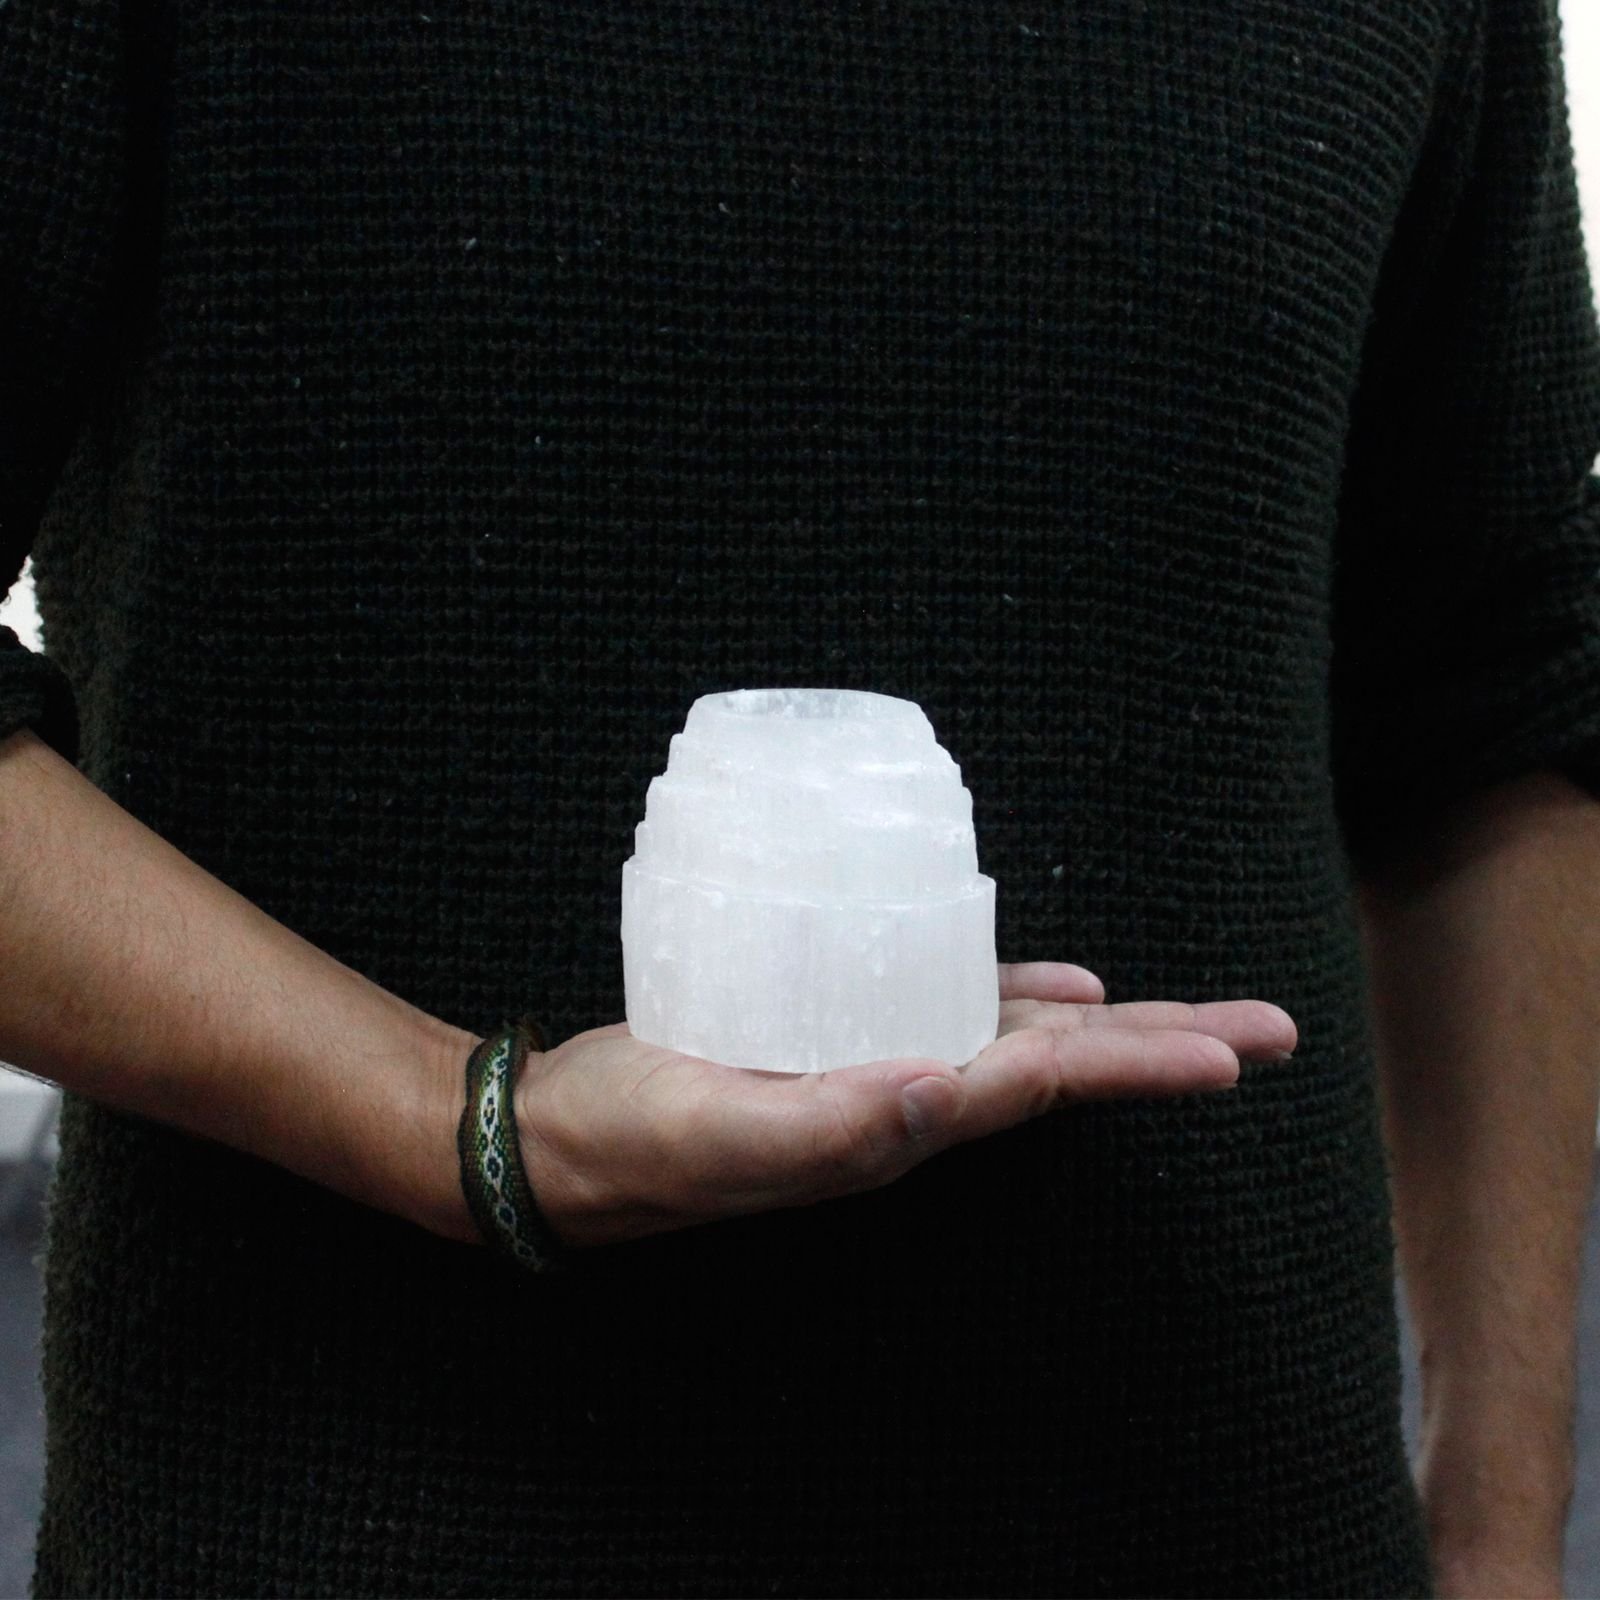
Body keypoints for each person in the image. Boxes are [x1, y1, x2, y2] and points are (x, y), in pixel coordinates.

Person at [2, 0, 1596, 1593]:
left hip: (1234, 1508)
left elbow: (1501, 674)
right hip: (346, 1508)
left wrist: (1500, 1538)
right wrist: (462, 1124)